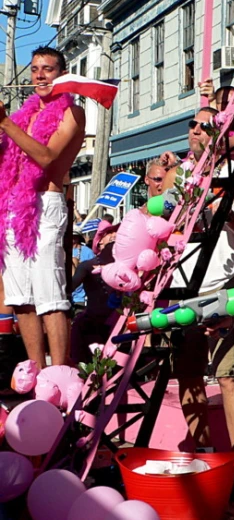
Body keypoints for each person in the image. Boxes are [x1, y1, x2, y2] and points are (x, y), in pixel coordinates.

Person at [162, 107, 234, 469]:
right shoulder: (180, 176)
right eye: (192, 124)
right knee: (187, 371)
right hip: (185, 282)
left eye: (206, 126)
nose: (197, 131)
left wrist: (226, 213)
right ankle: (202, 455)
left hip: (227, 278)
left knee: (229, 373)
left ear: (220, 134)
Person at [0, 46, 85, 367]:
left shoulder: (72, 112)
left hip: (46, 204)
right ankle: (35, 371)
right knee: (21, 298)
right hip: (13, 206)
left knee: (50, 296)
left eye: (47, 69)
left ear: (62, 74)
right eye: (35, 69)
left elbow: (48, 157)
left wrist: (6, 124)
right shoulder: (25, 115)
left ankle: (59, 372)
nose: (39, 75)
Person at [70, 230, 119, 364]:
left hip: (119, 323)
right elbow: (70, 288)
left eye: (117, 232)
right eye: (110, 233)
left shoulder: (127, 265)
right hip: (95, 322)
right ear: (100, 242)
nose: (114, 234)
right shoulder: (86, 266)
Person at [71, 228, 95, 313]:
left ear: (78, 238)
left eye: (74, 236)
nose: (72, 238)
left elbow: (94, 269)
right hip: (67, 295)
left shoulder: (87, 252)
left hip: (82, 295)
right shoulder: (63, 250)